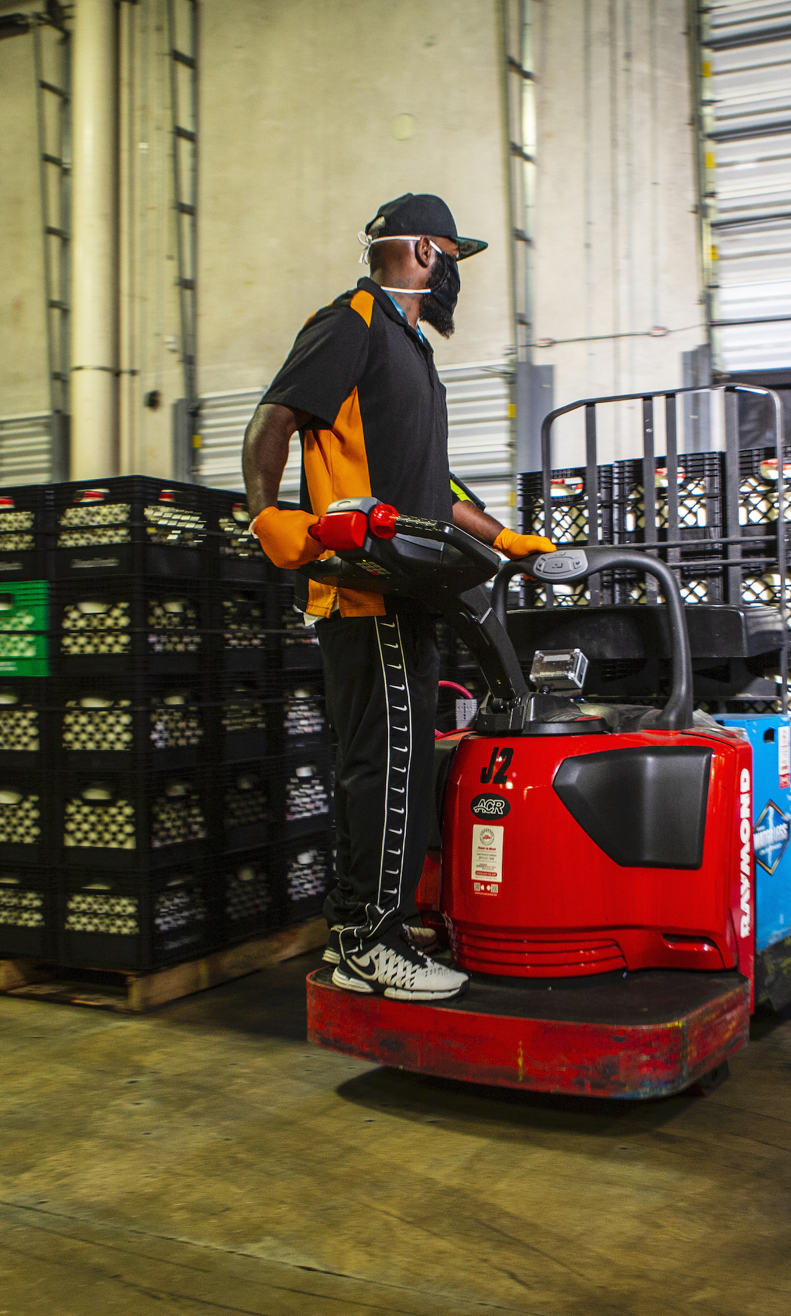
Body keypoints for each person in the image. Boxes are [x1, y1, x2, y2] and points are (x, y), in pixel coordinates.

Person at [240, 193, 556, 1002]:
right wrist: (267, 514)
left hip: (414, 586)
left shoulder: (413, 351)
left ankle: (364, 932)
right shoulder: (350, 322)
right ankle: (370, 942)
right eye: (452, 257)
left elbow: (432, 487)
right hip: (365, 588)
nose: (454, 274)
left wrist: (502, 539)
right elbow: (272, 421)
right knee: (386, 766)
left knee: (396, 767)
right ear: (421, 251)